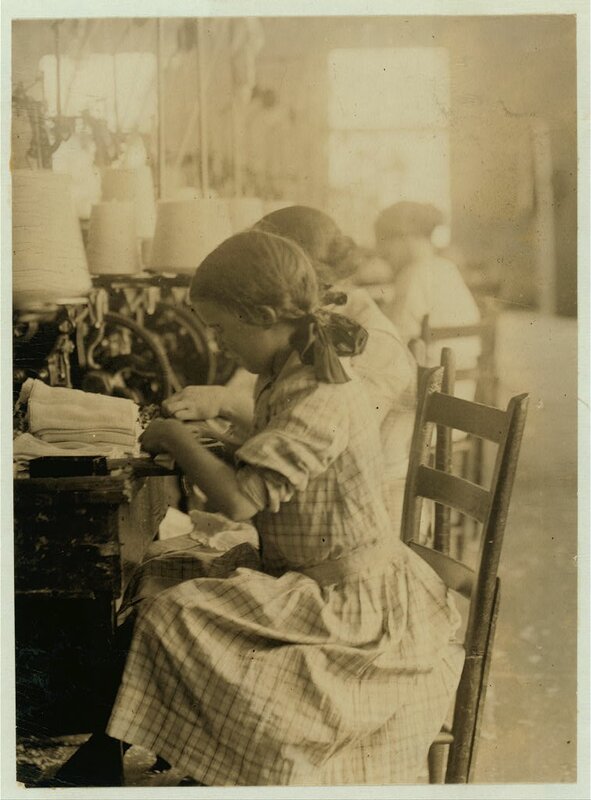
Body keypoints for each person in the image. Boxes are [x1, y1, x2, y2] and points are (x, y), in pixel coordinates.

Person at [56, 230, 463, 787]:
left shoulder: (322, 392)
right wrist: (214, 442)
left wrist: (178, 439)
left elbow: (241, 500)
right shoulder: (285, 376)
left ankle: (202, 759)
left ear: (266, 315)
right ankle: (112, 749)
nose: (219, 344)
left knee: (176, 615)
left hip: (351, 603)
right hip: (301, 573)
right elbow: (277, 462)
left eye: (222, 330)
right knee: (159, 574)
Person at [165, 205, 417, 532]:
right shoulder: (308, 333)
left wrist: (223, 402)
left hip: (359, 514)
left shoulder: (367, 341)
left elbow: (308, 424)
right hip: (308, 505)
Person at [374, 201, 482, 400]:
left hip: (424, 414)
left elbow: (389, 348)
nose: (384, 257)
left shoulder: (413, 274)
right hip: (459, 404)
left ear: (404, 238)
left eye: (385, 247)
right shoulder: (447, 269)